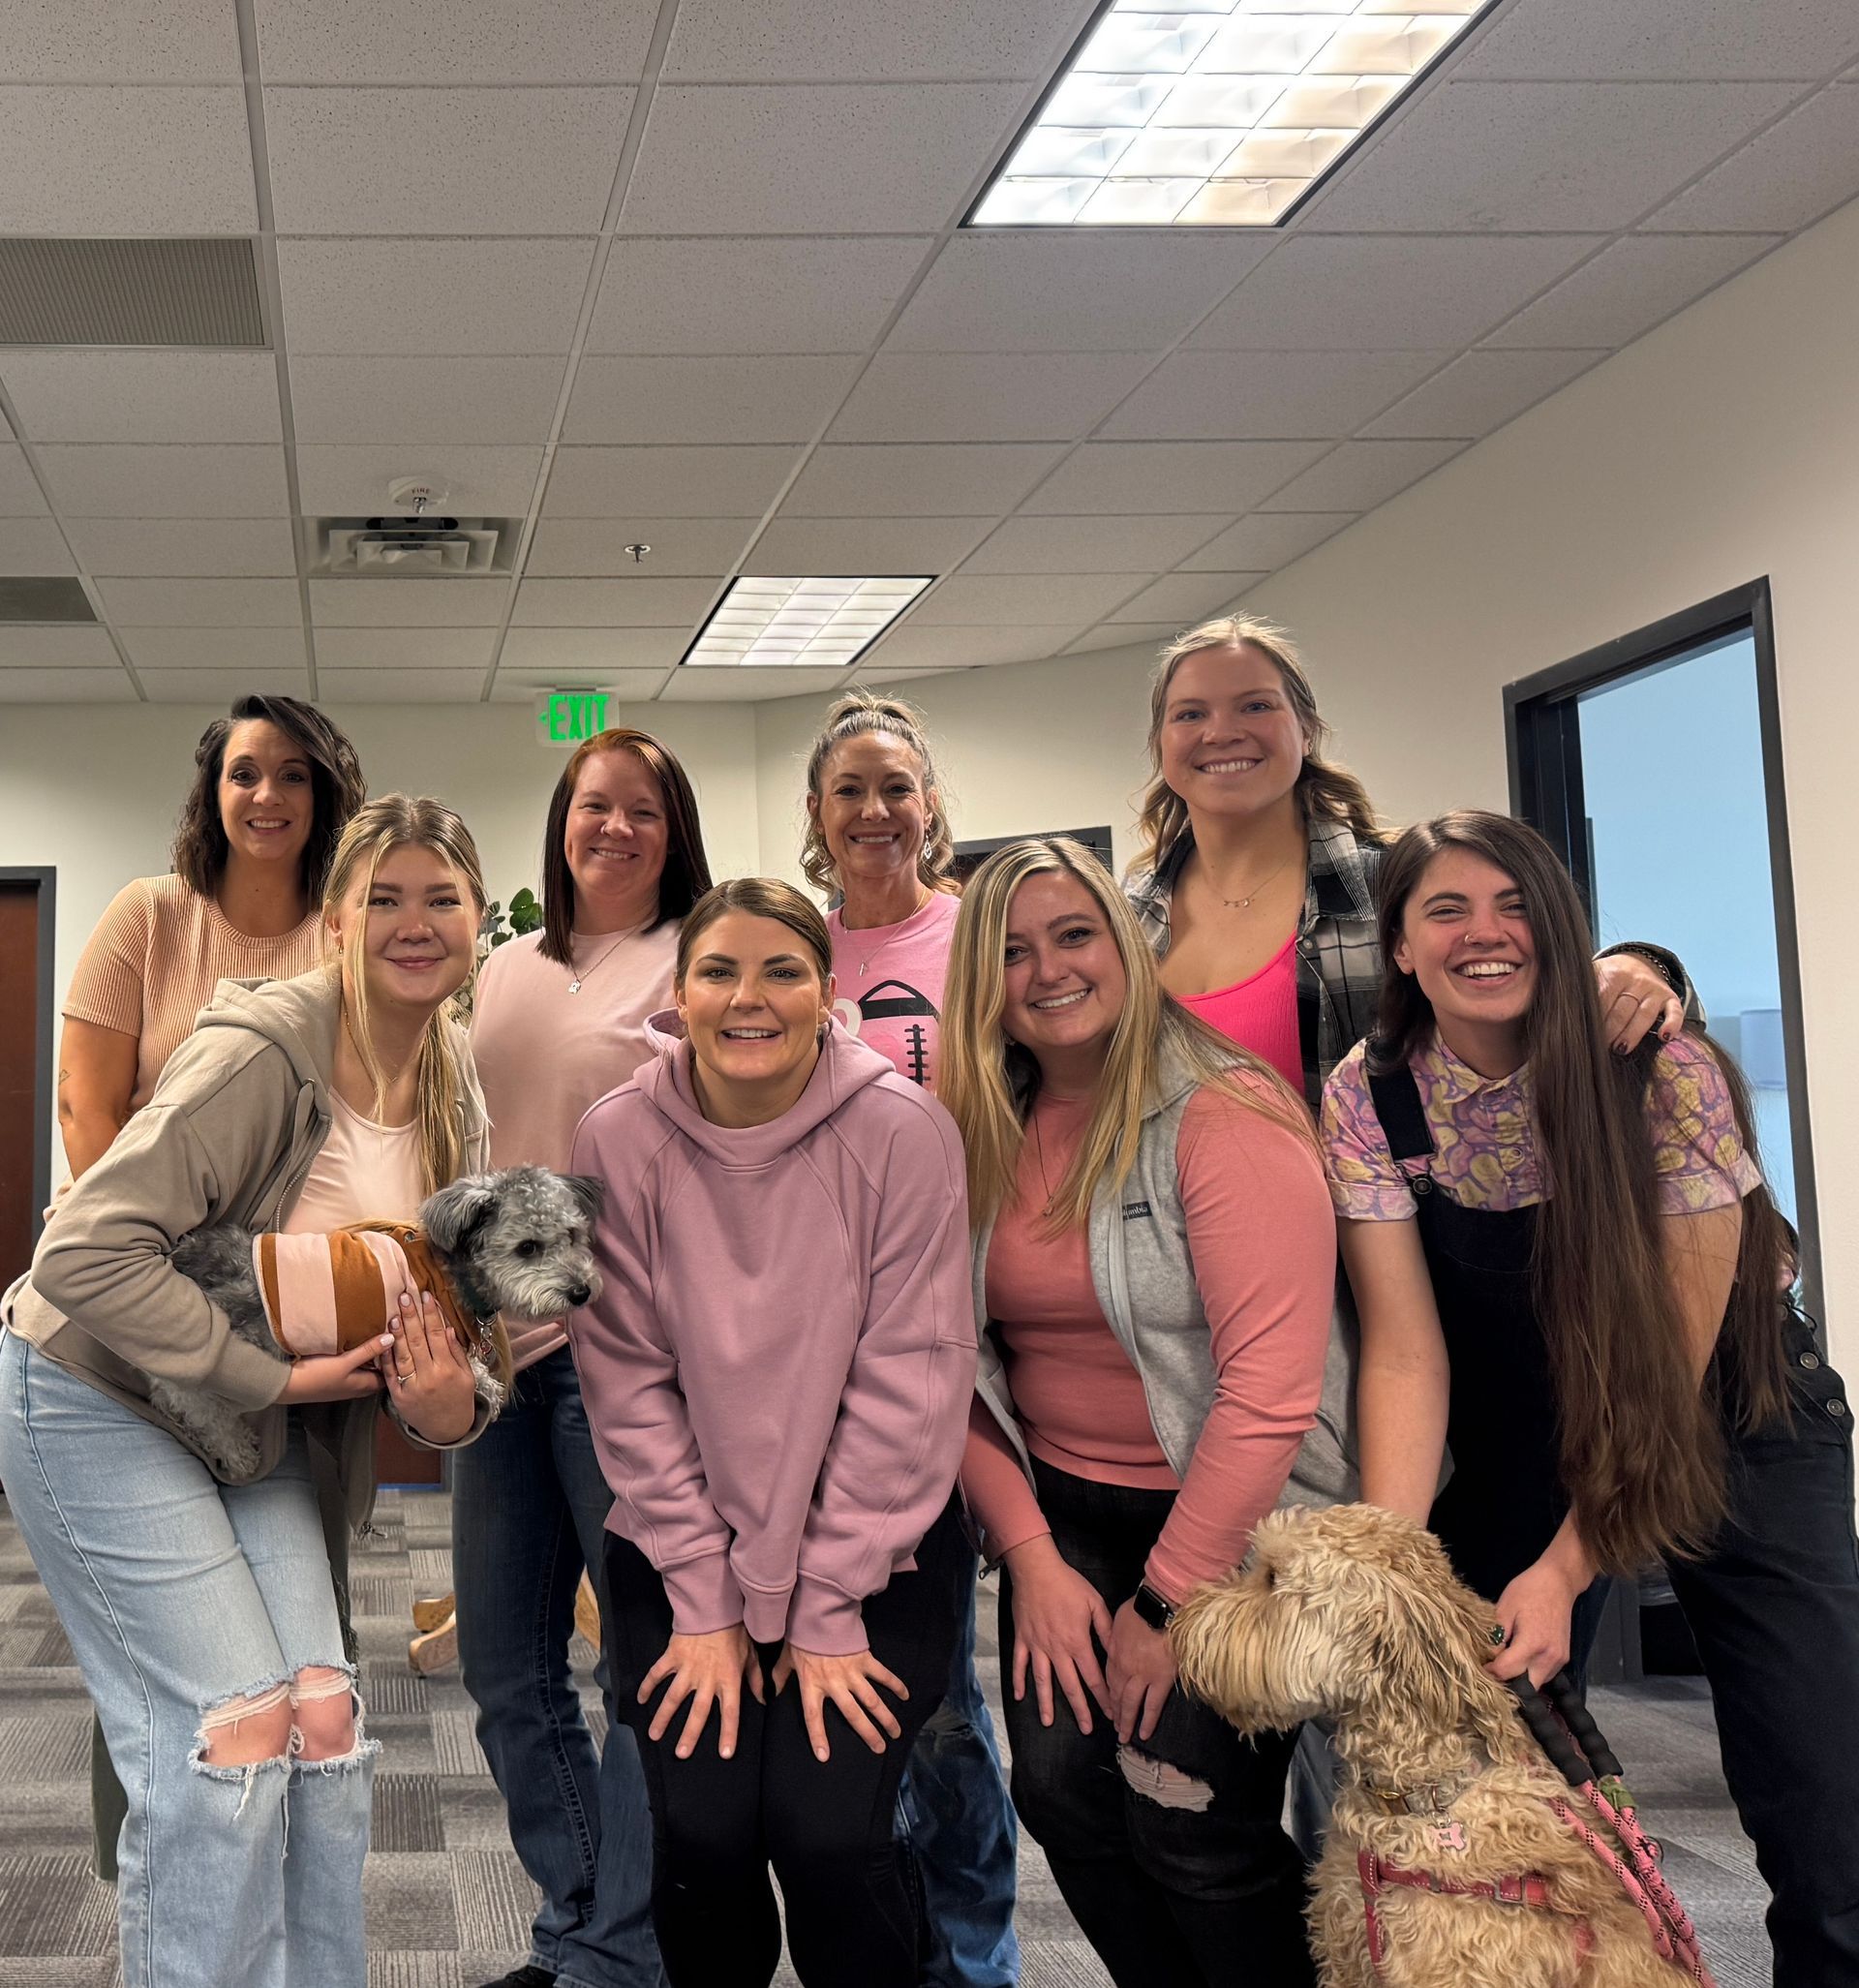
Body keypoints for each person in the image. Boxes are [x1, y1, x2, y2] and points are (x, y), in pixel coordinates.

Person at [1325, 809, 1859, 1985]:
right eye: (1445, 910)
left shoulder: (1666, 1074)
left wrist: (1568, 1569)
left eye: (1515, 904)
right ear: (1400, 947)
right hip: (1532, 1425)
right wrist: (1397, 1561)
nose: (1485, 933)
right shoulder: (1373, 1094)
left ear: (1563, 927)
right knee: (1478, 1734)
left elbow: (1664, 1382)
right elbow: (1409, 1356)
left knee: (1821, 1791)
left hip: (1731, 1417)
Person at [0, 795, 505, 1988]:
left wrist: (450, 1407)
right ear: (336, 919)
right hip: (100, 1393)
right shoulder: (263, 1052)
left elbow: (465, 1324)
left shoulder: (451, 1085)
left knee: (323, 1723)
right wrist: (270, 1372)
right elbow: (80, 1253)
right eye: (383, 895)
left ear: (481, 920)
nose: (414, 922)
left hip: (247, 1426)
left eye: (443, 897)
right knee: (231, 1737)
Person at [938, 836, 1337, 1988]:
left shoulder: (1223, 1111)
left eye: (1074, 935)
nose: (1048, 970)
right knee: (1065, 1800)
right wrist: (1035, 1558)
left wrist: (1166, 1598)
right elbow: (949, 1369)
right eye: (1011, 951)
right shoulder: (969, 1126)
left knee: (1189, 1821)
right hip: (1061, 1511)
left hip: (1228, 1525)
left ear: (1124, 943)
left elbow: (1271, 1393)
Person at [568, 877, 976, 1988]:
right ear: (680, 993)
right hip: (683, 1543)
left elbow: (915, 1378)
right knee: (701, 1841)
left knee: (829, 1837)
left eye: (783, 970)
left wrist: (828, 1594)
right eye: (720, 971)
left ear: (829, 991)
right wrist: (705, 1592)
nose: (750, 998)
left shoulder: (903, 1131)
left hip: (873, 1550)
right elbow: (626, 1378)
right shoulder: (617, 1136)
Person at [53, 690, 366, 1880]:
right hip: (149, 1330)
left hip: (303, 1335)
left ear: (327, 796)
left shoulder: (347, 931)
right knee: (160, 1624)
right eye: (245, 772)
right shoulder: (151, 916)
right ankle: (145, 1855)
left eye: (294, 774)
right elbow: (91, 1111)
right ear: (212, 790)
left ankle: (279, 1852)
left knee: (304, 1624)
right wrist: (182, 1274)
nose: (268, 795)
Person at [459, 726, 714, 1988]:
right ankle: (586, 1921)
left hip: (626, 1359)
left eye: (643, 810)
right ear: (561, 819)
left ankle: (622, 1950)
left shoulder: (696, 961)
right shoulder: (503, 967)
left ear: (677, 834)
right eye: (593, 804)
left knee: (642, 1665)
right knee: (503, 1663)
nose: (614, 827)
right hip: (498, 1359)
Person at [800, 689, 1019, 1988]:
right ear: (817, 819)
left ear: (931, 801)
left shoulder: (981, 937)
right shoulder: (790, 947)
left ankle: (975, 1963)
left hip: (971, 1350)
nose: (876, 810)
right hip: (820, 1372)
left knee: (944, 1700)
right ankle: (883, 1954)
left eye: (897, 785)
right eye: (850, 791)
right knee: (855, 1691)